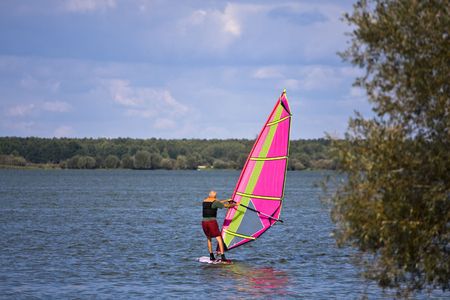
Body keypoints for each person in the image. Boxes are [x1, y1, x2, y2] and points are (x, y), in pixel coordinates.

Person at [202, 190, 237, 261]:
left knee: (209, 238)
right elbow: (226, 206)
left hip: (204, 222)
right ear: (215, 196)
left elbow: (217, 202)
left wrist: (227, 200)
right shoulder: (215, 202)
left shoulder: (204, 201)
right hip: (212, 222)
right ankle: (223, 256)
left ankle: (211, 256)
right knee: (219, 238)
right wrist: (236, 204)